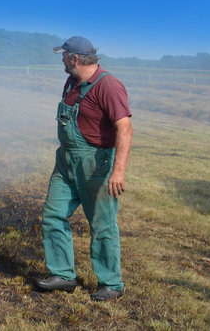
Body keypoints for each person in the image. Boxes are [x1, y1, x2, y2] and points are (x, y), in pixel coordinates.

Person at [32, 36, 132, 302]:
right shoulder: (71, 82)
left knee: (101, 225)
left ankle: (111, 282)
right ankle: (63, 274)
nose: (62, 61)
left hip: (95, 164)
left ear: (74, 58)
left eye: (63, 56)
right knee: (53, 214)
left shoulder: (108, 86)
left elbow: (125, 128)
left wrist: (118, 170)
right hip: (65, 162)